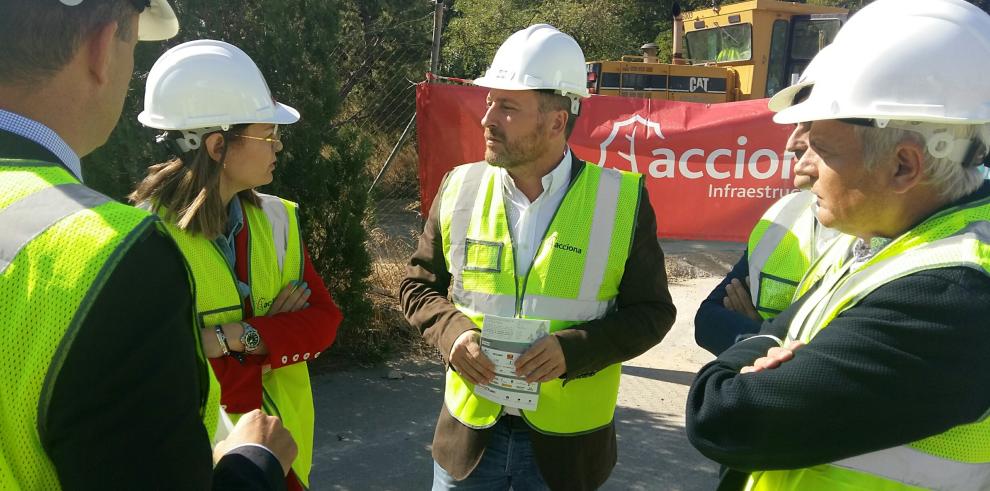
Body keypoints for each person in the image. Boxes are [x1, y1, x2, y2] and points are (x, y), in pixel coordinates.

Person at [685, 0, 990, 489]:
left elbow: (723, 415)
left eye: (822, 148)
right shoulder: (883, 241)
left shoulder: (952, 293)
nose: (799, 157)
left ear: (903, 166)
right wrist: (774, 344)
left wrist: (762, 348)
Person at [0, 1, 296, 489]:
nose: (278, 147)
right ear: (101, 46)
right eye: (132, 44)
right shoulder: (114, 259)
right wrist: (254, 464)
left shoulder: (274, 220)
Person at [400, 24, 676, 491]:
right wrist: (454, 335)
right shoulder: (460, 187)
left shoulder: (620, 200)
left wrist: (575, 350)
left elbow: (653, 313)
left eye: (507, 107)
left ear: (555, 121)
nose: (487, 118)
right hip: (468, 441)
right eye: (490, 101)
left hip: (567, 452)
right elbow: (416, 287)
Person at [129, 39, 342, 491]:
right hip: (205, 469)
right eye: (268, 135)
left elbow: (325, 322)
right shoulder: (143, 242)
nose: (278, 147)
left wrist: (235, 339)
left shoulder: (278, 220)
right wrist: (273, 337)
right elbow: (161, 376)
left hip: (281, 463)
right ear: (218, 145)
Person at [695, 61, 839, 355]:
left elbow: (837, 361)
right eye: (796, 124)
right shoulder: (786, 215)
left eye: (811, 126)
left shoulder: (895, 242)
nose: (792, 143)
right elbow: (706, 322)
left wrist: (760, 335)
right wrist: (768, 338)